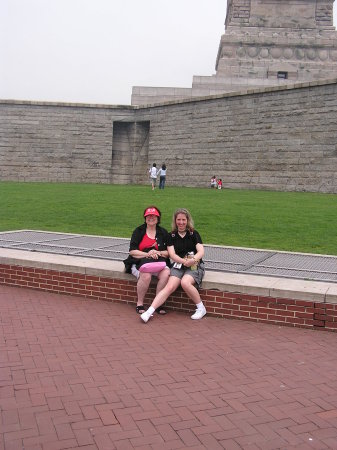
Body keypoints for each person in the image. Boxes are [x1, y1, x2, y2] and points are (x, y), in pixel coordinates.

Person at [141, 208, 206, 323]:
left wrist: (193, 260)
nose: (181, 222)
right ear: (175, 221)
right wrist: (183, 261)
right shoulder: (171, 236)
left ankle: (201, 308)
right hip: (179, 264)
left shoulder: (193, 233)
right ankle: (149, 311)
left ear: (187, 220)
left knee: (185, 282)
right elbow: (172, 254)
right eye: (178, 220)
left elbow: (200, 251)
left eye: (183, 220)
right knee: (169, 287)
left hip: (193, 265)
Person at [123, 206, 170, 315]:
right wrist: (147, 254)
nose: (151, 218)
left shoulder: (163, 232)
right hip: (140, 262)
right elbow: (132, 251)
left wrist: (158, 253)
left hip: (158, 262)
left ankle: (157, 304)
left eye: (154, 216)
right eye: (148, 216)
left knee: (166, 273)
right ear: (145, 218)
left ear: (158, 218)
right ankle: (140, 303)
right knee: (146, 275)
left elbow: (169, 253)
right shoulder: (138, 231)